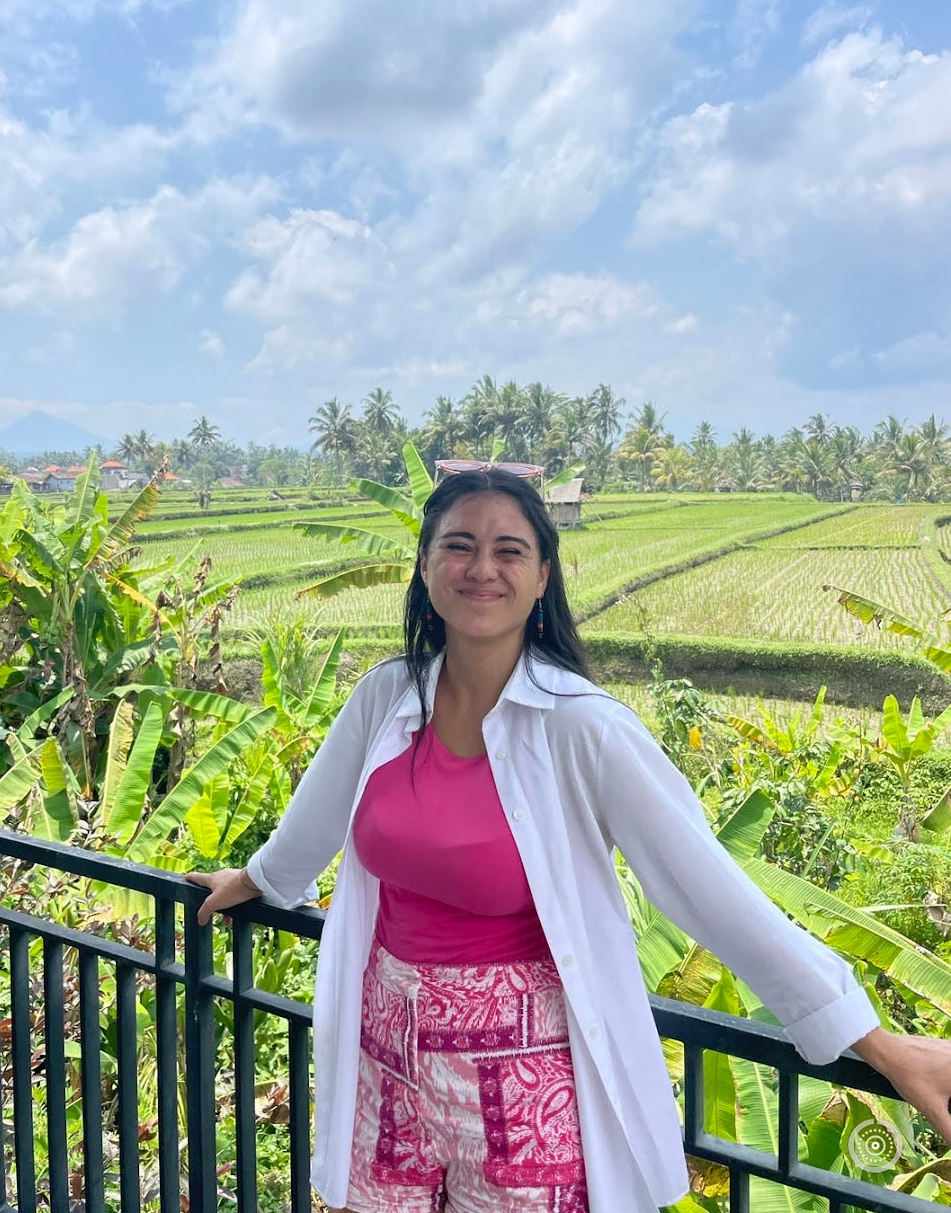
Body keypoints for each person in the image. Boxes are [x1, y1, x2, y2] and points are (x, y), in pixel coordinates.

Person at [189, 467, 951, 1213]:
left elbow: (709, 890)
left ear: (543, 574)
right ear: (424, 567)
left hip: (526, 1085)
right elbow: (318, 818)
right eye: (458, 545)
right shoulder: (387, 695)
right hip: (388, 1055)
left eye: (509, 550)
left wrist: (870, 1040)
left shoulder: (584, 728)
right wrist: (257, 879)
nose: (481, 568)